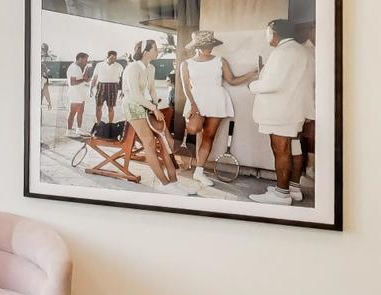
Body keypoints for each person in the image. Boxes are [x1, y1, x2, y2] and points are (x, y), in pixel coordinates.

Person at [177, 31, 257, 186]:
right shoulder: (186, 64)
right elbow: (186, 87)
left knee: (209, 136)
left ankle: (199, 171)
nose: (210, 48)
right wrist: (193, 105)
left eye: (212, 45)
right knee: (193, 129)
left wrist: (252, 73)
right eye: (207, 45)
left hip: (217, 100)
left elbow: (232, 80)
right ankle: (194, 161)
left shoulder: (220, 60)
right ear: (197, 46)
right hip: (196, 100)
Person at [248, 18, 314, 205]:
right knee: (295, 148)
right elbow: (308, 83)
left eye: (267, 32)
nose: (267, 36)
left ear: (274, 33)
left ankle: (281, 195)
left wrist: (252, 85)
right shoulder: (304, 51)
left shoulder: (282, 52)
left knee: (281, 150)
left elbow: (272, 84)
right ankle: (293, 189)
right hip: (297, 111)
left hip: (280, 112)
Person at [122, 39, 191, 194]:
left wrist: (155, 106)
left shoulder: (151, 68)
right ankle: (164, 184)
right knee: (149, 143)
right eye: (155, 48)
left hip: (147, 106)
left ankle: (174, 182)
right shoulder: (132, 68)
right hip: (132, 107)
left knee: (166, 142)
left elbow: (152, 89)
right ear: (146, 51)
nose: (158, 51)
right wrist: (154, 108)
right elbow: (134, 95)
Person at [91, 49, 124, 124]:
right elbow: (95, 77)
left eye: (115, 58)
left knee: (110, 107)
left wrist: (123, 90)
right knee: (98, 107)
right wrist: (91, 88)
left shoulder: (119, 66)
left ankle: (110, 124)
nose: (113, 60)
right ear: (107, 57)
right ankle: (98, 123)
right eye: (111, 58)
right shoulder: (99, 65)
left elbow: (122, 79)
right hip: (101, 86)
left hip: (113, 87)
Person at [65, 52, 90, 132]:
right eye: (86, 59)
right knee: (72, 113)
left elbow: (82, 77)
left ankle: (78, 130)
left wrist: (86, 69)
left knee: (80, 112)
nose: (86, 61)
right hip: (75, 93)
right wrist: (83, 80)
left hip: (80, 93)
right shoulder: (73, 67)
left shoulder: (77, 67)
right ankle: (69, 131)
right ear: (80, 59)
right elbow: (73, 82)